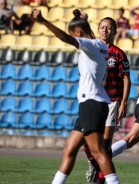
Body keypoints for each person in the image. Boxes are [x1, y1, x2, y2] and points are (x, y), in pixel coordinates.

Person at [32, 8, 121, 184]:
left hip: (92, 103)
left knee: (98, 151)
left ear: (78, 33)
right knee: (69, 150)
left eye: (75, 34)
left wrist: (43, 21)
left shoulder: (89, 45)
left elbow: (65, 38)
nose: (74, 38)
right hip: (93, 103)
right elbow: (86, 34)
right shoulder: (99, 45)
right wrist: (81, 20)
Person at [83, 15, 131, 184]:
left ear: (115, 31)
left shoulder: (118, 54)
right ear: (98, 29)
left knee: (106, 141)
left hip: (112, 100)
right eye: (102, 27)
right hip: (94, 100)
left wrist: (124, 102)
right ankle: (95, 164)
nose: (105, 30)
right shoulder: (93, 49)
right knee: (86, 139)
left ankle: (102, 178)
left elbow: (126, 79)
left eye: (109, 27)